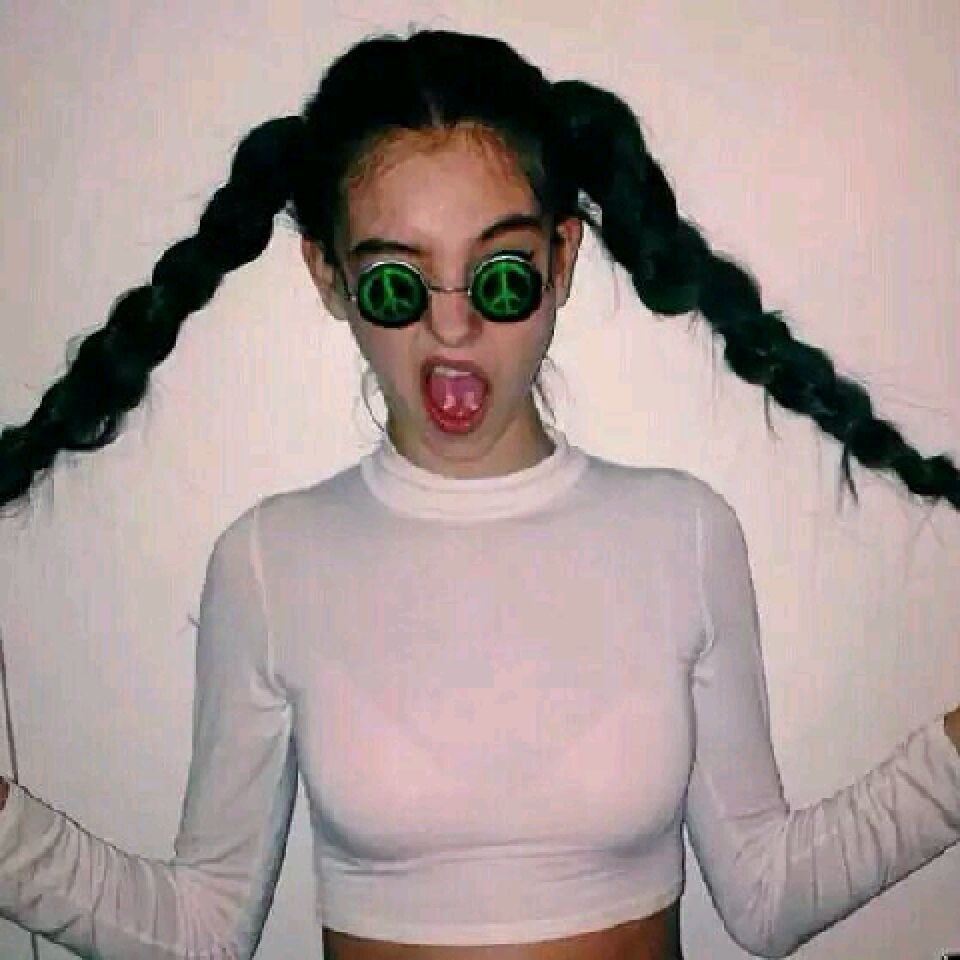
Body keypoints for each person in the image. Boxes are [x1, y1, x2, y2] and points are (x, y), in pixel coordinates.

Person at [0, 27, 958, 960]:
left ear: (561, 260)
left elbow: (767, 895)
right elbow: (201, 932)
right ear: (329, 277)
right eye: (396, 285)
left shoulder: (682, 531)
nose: (452, 329)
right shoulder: (270, 559)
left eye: (499, 277)